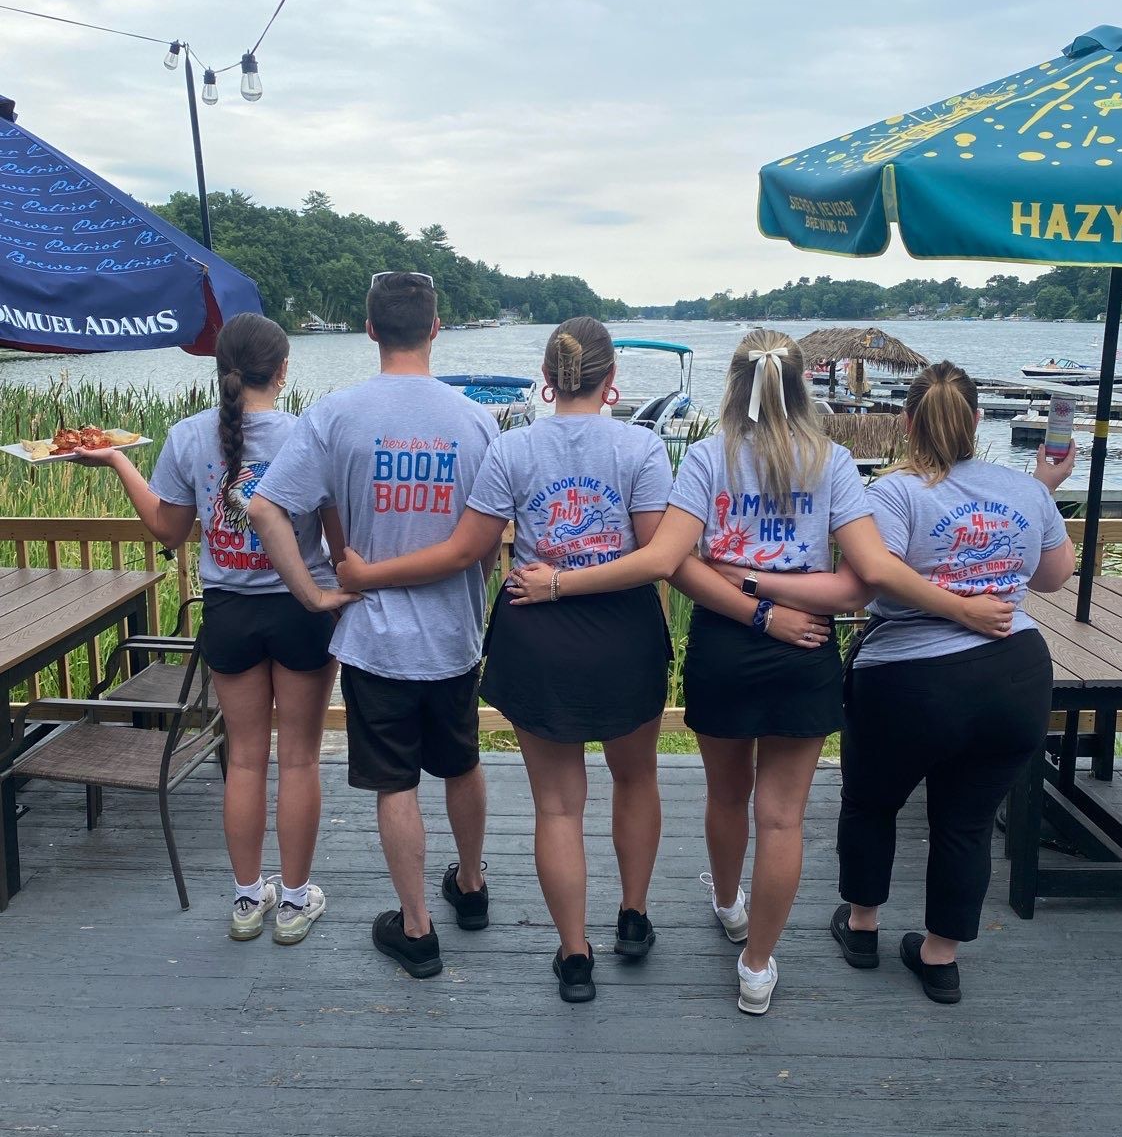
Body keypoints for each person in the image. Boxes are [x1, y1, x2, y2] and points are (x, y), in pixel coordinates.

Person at [509, 331, 1012, 1015]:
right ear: (802, 386)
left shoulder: (710, 458)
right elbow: (860, 583)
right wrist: (784, 602)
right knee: (782, 821)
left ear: (733, 386)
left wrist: (752, 601)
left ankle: (726, 904)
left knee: (725, 797)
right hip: (804, 650)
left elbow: (675, 563)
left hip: (725, 643)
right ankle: (756, 967)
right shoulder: (831, 461)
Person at [337, 316, 682, 1004]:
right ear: (612, 381)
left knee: (557, 808)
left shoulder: (512, 448)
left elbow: (466, 549)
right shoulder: (642, 448)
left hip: (537, 637)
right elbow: (655, 559)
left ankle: (574, 954)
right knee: (635, 780)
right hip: (625, 637)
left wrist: (370, 573)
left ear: (548, 380)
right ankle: (634, 917)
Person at [247, 272, 498, 982]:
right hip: (452, 634)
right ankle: (471, 887)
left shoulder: (335, 416)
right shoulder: (475, 420)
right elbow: (486, 539)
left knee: (396, 784)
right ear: (436, 328)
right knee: (462, 761)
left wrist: (312, 593)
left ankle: (416, 928)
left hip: (373, 633)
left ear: (368, 329)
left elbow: (265, 508)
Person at [75, 312, 350, 944]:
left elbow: (168, 532)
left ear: (219, 368)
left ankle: (249, 898)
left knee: (247, 760)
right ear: (283, 370)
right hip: (301, 608)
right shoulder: (308, 436)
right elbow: (337, 544)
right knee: (301, 760)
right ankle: (295, 900)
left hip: (228, 612)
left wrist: (120, 461)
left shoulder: (187, 437)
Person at [830, 362, 1075, 1004]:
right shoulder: (1022, 492)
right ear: (976, 421)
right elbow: (1053, 579)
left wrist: (947, 603)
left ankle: (861, 926)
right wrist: (1045, 489)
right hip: (1013, 675)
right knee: (964, 823)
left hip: (909, 683)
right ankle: (940, 960)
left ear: (907, 422)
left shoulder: (892, 493)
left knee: (872, 801)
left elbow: (873, 572)